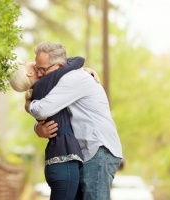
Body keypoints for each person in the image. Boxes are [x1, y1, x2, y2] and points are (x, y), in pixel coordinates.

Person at [26, 42, 123, 200]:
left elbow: (43, 109)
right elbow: (55, 114)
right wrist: (38, 128)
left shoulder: (73, 79)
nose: (40, 74)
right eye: (37, 69)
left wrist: (29, 105)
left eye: (43, 69)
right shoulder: (65, 78)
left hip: (99, 149)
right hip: (89, 150)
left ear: (59, 65)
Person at [9, 43, 97, 200]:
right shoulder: (44, 85)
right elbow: (76, 61)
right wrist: (84, 70)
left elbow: (63, 70)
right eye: (26, 64)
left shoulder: (40, 92)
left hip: (59, 162)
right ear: (29, 73)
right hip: (65, 161)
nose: (30, 61)